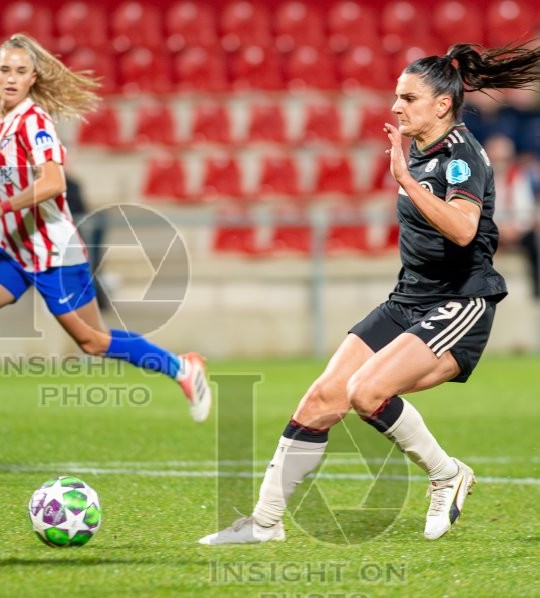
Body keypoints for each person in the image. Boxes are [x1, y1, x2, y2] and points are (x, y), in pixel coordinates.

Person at [199, 41, 540, 546]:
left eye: (407, 98)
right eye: (395, 97)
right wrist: (409, 173)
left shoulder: (463, 155)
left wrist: (406, 180)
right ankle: (265, 523)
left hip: (459, 302)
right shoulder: (421, 149)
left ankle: (446, 474)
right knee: (320, 399)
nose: (396, 107)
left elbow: (466, 231)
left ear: (441, 105)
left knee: (366, 393)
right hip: (408, 299)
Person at [0, 34, 212, 452]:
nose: (12, 78)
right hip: (13, 248)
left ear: (33, 77)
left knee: (93, 341)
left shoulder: (35, 121)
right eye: (5, 70)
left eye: (21, 71)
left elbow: (54, 182)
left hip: (53, 251)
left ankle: (182, 367)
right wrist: (6, 219)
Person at [485, 134, 539, 299]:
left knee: (533, 241)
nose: (501, 162)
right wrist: (497, 229)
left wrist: (515, 229)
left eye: (505, 158)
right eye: (497, 158)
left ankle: (536, 290)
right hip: (490, 229)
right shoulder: (481, 177)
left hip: (513, 229)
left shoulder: (518, 176)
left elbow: (526, 209)